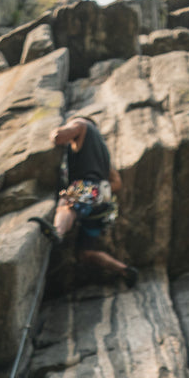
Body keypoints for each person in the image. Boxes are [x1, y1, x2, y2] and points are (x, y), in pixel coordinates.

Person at [30, 116, 138, 287]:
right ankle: (124, 270)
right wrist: (98, 191)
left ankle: (58, 231)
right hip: (102, 204)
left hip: (86, 186)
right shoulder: (103, 154)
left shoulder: (80, 125)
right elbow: (117, 183)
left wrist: (55, 131)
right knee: (85, 253)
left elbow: (58, 137)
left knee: (67, 204)